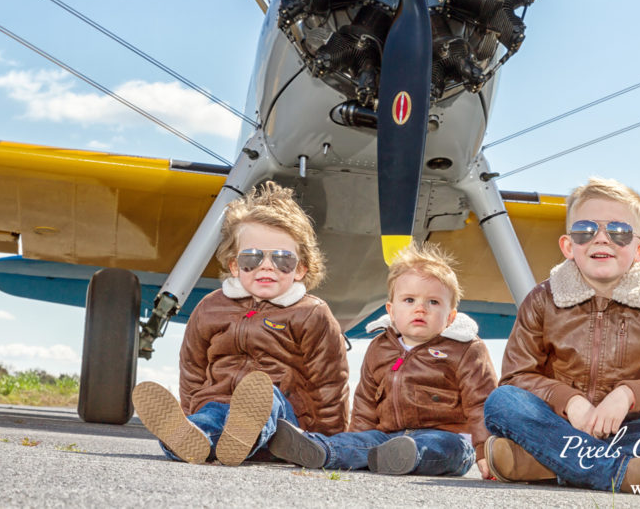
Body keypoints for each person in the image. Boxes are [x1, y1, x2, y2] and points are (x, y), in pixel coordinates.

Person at [483, 177, 640, 497]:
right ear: (568, 246)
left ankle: (546, 464)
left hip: (624, 428)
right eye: (585, 231)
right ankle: (621, 473)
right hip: (558, 423)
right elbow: (517, 377)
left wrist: (628, 395)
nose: (601, 239)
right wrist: (569, 401)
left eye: (618, 232)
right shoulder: (541, 299)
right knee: (501, 402)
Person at [131, 181, 349, 465]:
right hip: (219, 406)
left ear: (300, 269)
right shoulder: (211, 307)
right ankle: (191, 439)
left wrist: (327, 439)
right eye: (252, 257)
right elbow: (193, 368)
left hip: (285, 418)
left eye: (283, 259)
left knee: (264, 395)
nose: (267, 266)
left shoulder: (312, 313)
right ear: (235, 265)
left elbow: (330, 381)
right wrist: (192, 409)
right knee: (208, 417)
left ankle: (250, 438)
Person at [268, 241, 498, 477]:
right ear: (391, 310)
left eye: (433, 302)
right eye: (409, 300)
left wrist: (485, 452)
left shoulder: (466, 350)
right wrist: (357, 436)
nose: (421, 309)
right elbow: (366, 404)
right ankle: (319, 449)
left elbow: (481, 404)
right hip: (388, 436)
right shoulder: (380, 348)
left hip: (447, 435)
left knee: (447, 449)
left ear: (450, 317)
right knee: (361, 443)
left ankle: (404, 456)